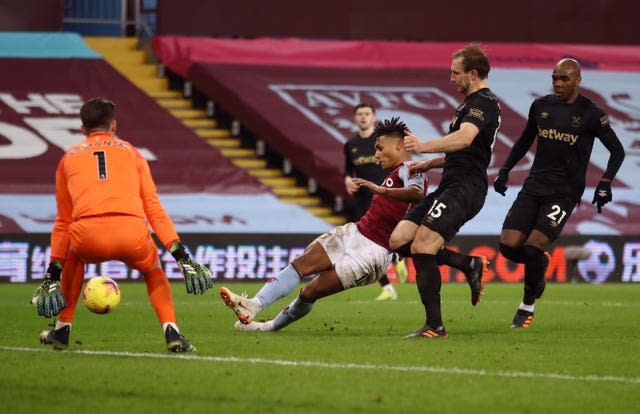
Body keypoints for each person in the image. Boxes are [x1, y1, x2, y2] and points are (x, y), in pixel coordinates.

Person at [31, 97, 213, 352]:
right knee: (153, 271)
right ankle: (172, 331)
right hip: (132, 233)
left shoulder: (67, 159)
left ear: (82, 129)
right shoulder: (133, 153)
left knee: (73, 256)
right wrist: (180, 254)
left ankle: (61, 331)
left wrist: (53, 272)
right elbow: (153, 209)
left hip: (87, 235)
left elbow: (63, 221)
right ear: (113, 126)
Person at [219, 117, 425, 332]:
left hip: (371, 252)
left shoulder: (411, 168)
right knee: (301, 264)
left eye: (380, 148)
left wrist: (381, 190)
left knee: (310, 292)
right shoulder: (394, 173)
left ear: (399, 145)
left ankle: (268, 327)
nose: (376, 154)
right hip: (355, 232)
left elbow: (417, 193)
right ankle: (253, 305)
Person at [493, 58, 625, 328]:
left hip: (564, 193)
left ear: (577, 80)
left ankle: (526, 307)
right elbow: (525, 140)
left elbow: (617, 150)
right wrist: (505, 170)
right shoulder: (541, 106)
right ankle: (539, 263)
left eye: (564, 79)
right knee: (507, 246)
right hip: (534, 186)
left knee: (532, 246)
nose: (558, 83)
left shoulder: (590, 113)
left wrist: (605, 182)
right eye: (554, 78)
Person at [389, 44, 500, 339]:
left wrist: (423, 145)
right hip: (449, 183)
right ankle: (468, 263)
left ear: (473, 74)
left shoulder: (484, 103)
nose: (451, 78)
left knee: (423, 246)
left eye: (456, 73)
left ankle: (434, 326)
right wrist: (427, 164)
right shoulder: (466, 105)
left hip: (466, 187)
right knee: (400, 239)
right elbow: (461, 151)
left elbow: (464, 140)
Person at [343, 103, 405, 301]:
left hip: (386, 194)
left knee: (389, 236)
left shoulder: (382, 140)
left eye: (367, 114)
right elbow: (348, 172)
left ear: (374, 117)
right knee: (367, 243)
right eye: (359, 114)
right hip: (362, 199)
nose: (363, 117)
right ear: (355, 118)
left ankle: (399, 255)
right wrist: (346, 180)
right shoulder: (350, 145)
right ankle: (387, 286)